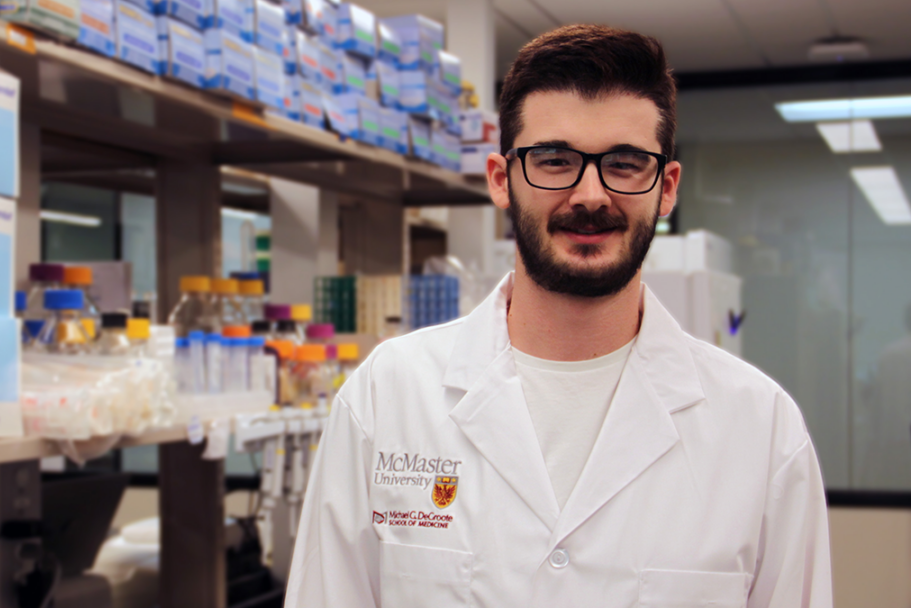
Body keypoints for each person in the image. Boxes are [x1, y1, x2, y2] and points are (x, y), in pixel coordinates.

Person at [285, 24, 831, 607]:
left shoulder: (760, 428)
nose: (591, 194)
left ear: (666, 188)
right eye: (553, 159)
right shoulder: (387, 396)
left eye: (624, 163)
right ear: (502, 179)